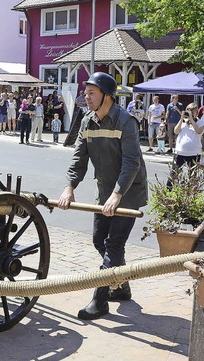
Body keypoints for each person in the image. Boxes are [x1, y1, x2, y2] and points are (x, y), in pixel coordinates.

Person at [57, 72, 147, 321]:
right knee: (99, 240)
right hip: (105, 191)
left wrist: (118, 194)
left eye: (91, 93)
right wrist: (69, 187)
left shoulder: (126, 121)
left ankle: (100, 300)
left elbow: (132, 163)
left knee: (113, 245)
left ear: (107, 96)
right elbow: (79, 158)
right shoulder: (87, 121)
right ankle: (121, 283)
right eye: (85, 93)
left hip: (127, 192)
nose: (86, 97)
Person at [173, 103, 204, 169]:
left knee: (192, 177)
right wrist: (181, 118)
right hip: (180, 152)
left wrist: (191, 119)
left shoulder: (200, 122)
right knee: (173, 174)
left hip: (194, 153)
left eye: (192, 111)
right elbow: (176, 131)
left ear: (196, 112)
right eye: (188, 110)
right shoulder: (183, 121)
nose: (190, 113)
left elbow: (198, 131)